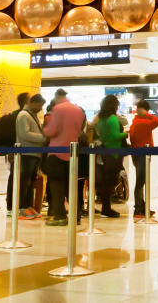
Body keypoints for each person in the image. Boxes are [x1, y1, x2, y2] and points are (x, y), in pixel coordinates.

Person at [41, 89, 86, 226]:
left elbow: (51, 131)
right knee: (71, 186)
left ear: (57, 97)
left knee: (56, 185)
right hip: (72, 152)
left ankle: (60, 216)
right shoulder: (78, 110)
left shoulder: (58, 109)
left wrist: (45, 130)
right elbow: (80, 130)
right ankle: (75, 216)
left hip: (57, 153)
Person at [128, 100, 158, 220]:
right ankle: (139, 208)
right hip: (143, 154)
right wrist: (146, 114)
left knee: (140, 180)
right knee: (141, 181)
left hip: (138, 153)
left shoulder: (136, 122)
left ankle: (141, 207)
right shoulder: (142, 122)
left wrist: (143, 114)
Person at [16, 94, 48, 220]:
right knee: (25, 181)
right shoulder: (23, 115)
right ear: (33, 103)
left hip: (34, 153)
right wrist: (43, 139)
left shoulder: (31, 115)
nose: (40, 109)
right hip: (27, 153)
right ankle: (22, 207)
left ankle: (28, 206)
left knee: (30, 182)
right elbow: (25, 134)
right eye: (40, 106)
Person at [95, 95, 128, 218]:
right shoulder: (113, 118)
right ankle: (106, 209)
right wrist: (125, 134)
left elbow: (103, 136)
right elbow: (115, 136)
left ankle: (105, 207)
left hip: (105, 152)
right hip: (114, 153)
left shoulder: (101, 119)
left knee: (105, 182)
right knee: (111, 181)